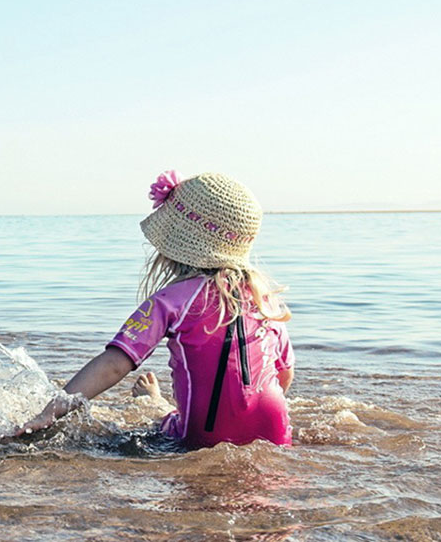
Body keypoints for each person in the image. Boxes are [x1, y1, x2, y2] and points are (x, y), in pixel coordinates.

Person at [17, 171, 295, 448]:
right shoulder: (264, 299)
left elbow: (114, 365)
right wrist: (245, 413)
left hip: (204, 434)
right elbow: (284, 374)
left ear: (176, 240)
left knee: (167, 424)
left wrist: (50, 411)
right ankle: (162, 403)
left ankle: (154, 401)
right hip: (276, 429)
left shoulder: (172, 300)